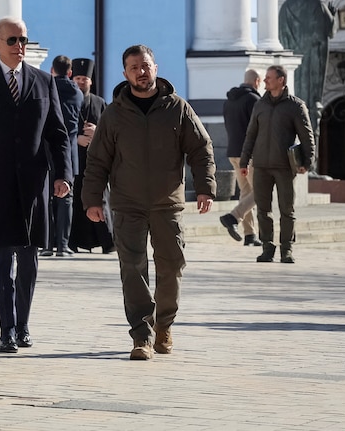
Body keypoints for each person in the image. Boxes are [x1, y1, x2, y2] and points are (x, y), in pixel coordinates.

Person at [82, 44, 215, 361]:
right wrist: (92, 199)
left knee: (171, 266)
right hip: (127, 205)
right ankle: (141, 336)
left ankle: (165, 326)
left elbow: (201, 148)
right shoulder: (114, 114)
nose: (141, 72)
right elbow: (98, 160)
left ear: (156, 67)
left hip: (167, 204)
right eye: (134, 68)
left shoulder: (177, 109)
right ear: (125, 73)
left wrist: (206, 187)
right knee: (133, 270)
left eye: (145, 65)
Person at [0, 17, 72, 354]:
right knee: (2, 258)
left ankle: (23, 325)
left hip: (34, 185)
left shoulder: (43, 81)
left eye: (24, 40)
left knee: (30, 258)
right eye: (12, 40)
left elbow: (59, 135)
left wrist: (63, 175)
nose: (19, 46)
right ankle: (5, 329)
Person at [239, 65, 315, 264]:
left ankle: (287, 250)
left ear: (281, 80)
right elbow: (251, 134)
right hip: (261, 165)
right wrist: (245, 160)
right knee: (263, 210)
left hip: (284, 166)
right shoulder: (260, 105)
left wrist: (308, 161)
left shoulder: (295, 106)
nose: (265, 81)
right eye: (264, 79)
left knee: (286, 210)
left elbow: (306, 136)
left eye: (269, 78)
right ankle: (267, 248)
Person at [278, 0, 337, 142]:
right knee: (312, 103)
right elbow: (329, 31)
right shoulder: (317, 3)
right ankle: (310, 156)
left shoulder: (287, 5)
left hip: (292, 60)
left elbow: (281, 35)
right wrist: (333, 16)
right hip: (313, 62)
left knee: (294, 100)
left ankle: (296, 148)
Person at [67, 57, 114, 254]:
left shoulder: (99, 102)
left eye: (84, 79)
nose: (80, 82)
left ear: (90, 81)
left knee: (100, 199)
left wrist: (97, 133)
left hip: (95, 161)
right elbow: (60, 128)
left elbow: (110, 129)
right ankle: (74, 241)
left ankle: (107, 241)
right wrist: (76, 138)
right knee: (76, 201)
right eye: (77, 78)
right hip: (75, 159)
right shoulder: (66, 100)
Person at [41, 55, 84, 257]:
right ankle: (63, 245)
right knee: (67, 199)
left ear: (52, 70)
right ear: (70, 72)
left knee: (47, 198)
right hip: (71, 153)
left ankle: (47, 244)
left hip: (48, 149)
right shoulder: (78, 93)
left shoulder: (46, 87)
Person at [219, 69, 263, 247]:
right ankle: (233, 216)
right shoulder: (254, 100)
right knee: (261, 191)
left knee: (246, 192)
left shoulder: (229, 101)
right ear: (257, 81)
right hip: (249, 154)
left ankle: (250, 234)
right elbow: (259, 127)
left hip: (233, 152)